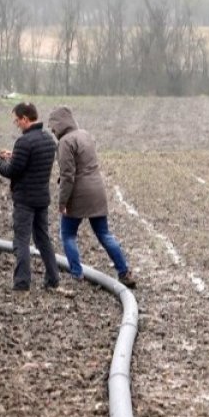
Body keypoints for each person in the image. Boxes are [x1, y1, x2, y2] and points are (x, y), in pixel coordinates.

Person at [47, 106, 137, 289]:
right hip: (97, 190)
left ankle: (76, 273)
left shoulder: (65, 142)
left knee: (68, 234)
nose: (52, 131)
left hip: (79, 194)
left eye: (53, 126)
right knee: (104, 234)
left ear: (59, 124)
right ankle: (124, 272)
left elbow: (67, 176)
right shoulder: (85, 135)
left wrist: (62, 202)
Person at [0, 102, 61, 291]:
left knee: (21, 241)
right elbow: (32, 164)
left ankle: (22, 283)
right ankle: (53, 279)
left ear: (25, 119)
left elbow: (12, 171)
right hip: (41, 198)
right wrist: (14, 155)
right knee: (43, 240)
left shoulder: (24, 142)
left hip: (24, 201)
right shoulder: (49, 140)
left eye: (17, 121)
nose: (17, 124)